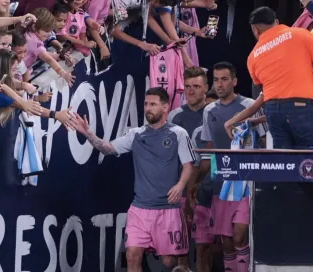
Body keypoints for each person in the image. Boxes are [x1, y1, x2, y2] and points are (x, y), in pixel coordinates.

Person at [71, 87, 196, 271]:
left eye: (153, 104)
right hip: (140, 210)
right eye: (146, 104)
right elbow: (107, 148)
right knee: (132, 255)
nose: (148, 108)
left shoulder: (178, 134)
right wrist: (88, 133)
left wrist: (180, 185)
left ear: (165, 107)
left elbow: (188, 165)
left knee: (171, 263)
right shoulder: (135, 134)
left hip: (168, 210)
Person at [200, 62, 266, 272]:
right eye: (216, 80)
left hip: (246, 184)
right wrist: (197, 182)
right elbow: (210, 148)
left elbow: (264, 141)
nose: (219, 84)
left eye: (224, 79)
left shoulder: (249, 106)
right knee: (226, 241)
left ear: (235, 81)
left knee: (239, 235)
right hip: (220, 183)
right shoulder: (209, 110)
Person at [247, 6, 313, 149]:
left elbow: (261, 87)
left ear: (255, 29)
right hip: (301, 106)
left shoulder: (252, 56)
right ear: (276, 21)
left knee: (284, 162)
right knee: (308, 160)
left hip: (273, 111)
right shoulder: (301, 35)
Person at [167, 67, 213, 272]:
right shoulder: (174, 116)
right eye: (187, 86)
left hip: (209, 190)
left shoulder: (215, 114)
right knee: (179, 252)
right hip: (180, 190)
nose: (191, 91)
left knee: (205, 247)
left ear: (206, 88)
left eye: (196, 86)